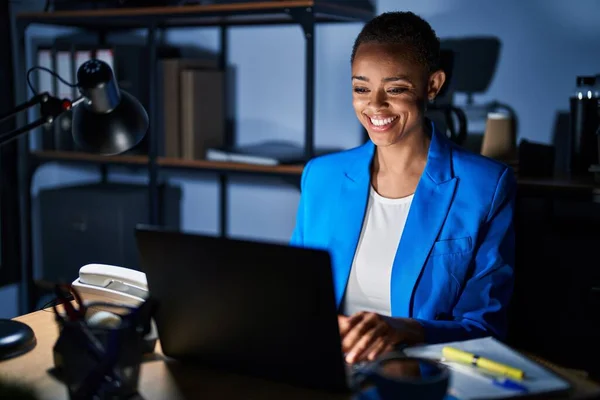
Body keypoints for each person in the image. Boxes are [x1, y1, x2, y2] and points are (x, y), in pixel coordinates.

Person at [290, 11, 516, 365]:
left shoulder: (486, 186)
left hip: (421, 373)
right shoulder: (321, 176)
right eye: (361, 88)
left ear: (433, 85)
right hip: (327, 367)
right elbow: (295, 296)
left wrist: (404, 329)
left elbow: (485, 326)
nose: (375, 105)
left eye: (395, 89)